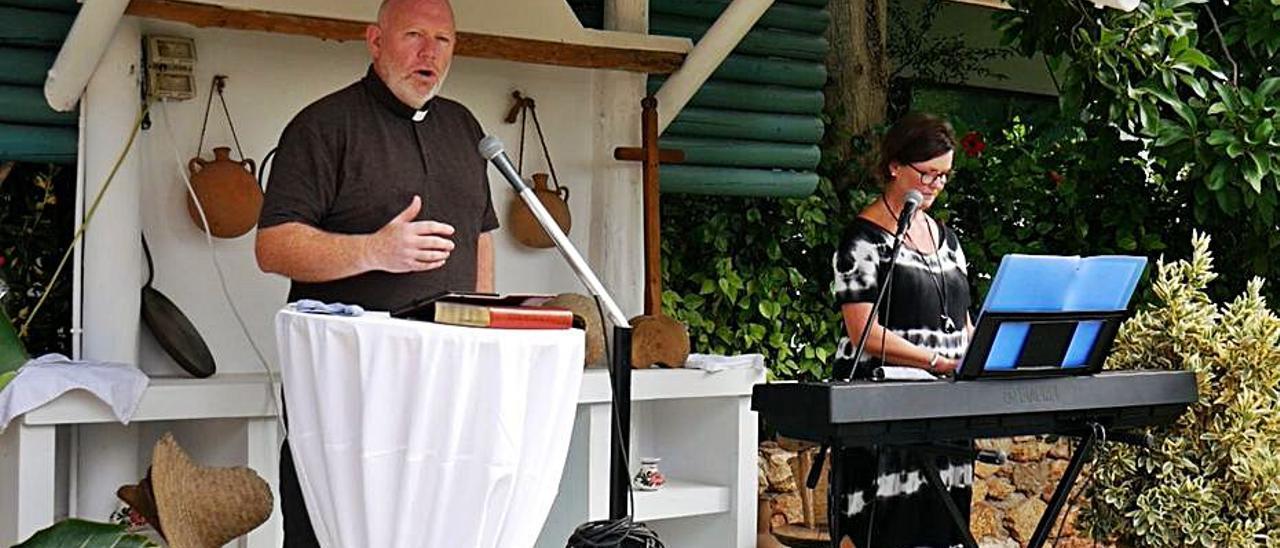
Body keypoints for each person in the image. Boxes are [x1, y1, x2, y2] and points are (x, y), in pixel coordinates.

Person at [254, 0, 498, 545]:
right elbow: (272, 246)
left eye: (443, 40)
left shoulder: (465, 127)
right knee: (336, 531)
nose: (429, 52)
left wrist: (483, 328)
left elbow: (480, 236)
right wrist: (373, 250)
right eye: (413, 35)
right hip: (348, 388)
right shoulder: (322, 126)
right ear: (375, 41)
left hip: (445, 381)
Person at [829, 112, 973, 548]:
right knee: (888, 529)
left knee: (943, 526)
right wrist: (935, 361)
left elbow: (962, 317)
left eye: (943, 176)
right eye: (927, 173)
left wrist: (975, 355)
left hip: (946, 406)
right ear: (894, 165)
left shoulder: (948, 239)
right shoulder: (862, 240)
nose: (935, 185)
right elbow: (864, 333)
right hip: (885, 406)